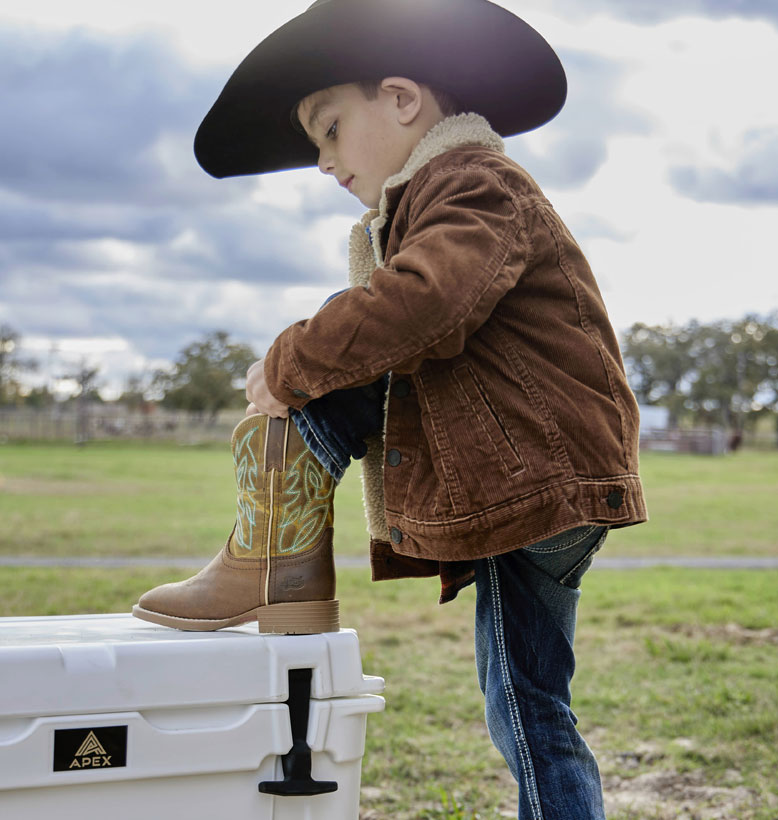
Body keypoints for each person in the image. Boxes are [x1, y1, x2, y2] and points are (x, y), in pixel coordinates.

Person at [134, 1, 648, 817]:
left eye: (330, 129)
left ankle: (271, 559)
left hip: (537, 469)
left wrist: (289, 358)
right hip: (543, 470)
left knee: (525, 707)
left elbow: (424, 304)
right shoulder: (439, 195)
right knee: (532, 699)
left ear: (402, 100)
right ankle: (274, 559)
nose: (322, 162)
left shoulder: (474, 182)